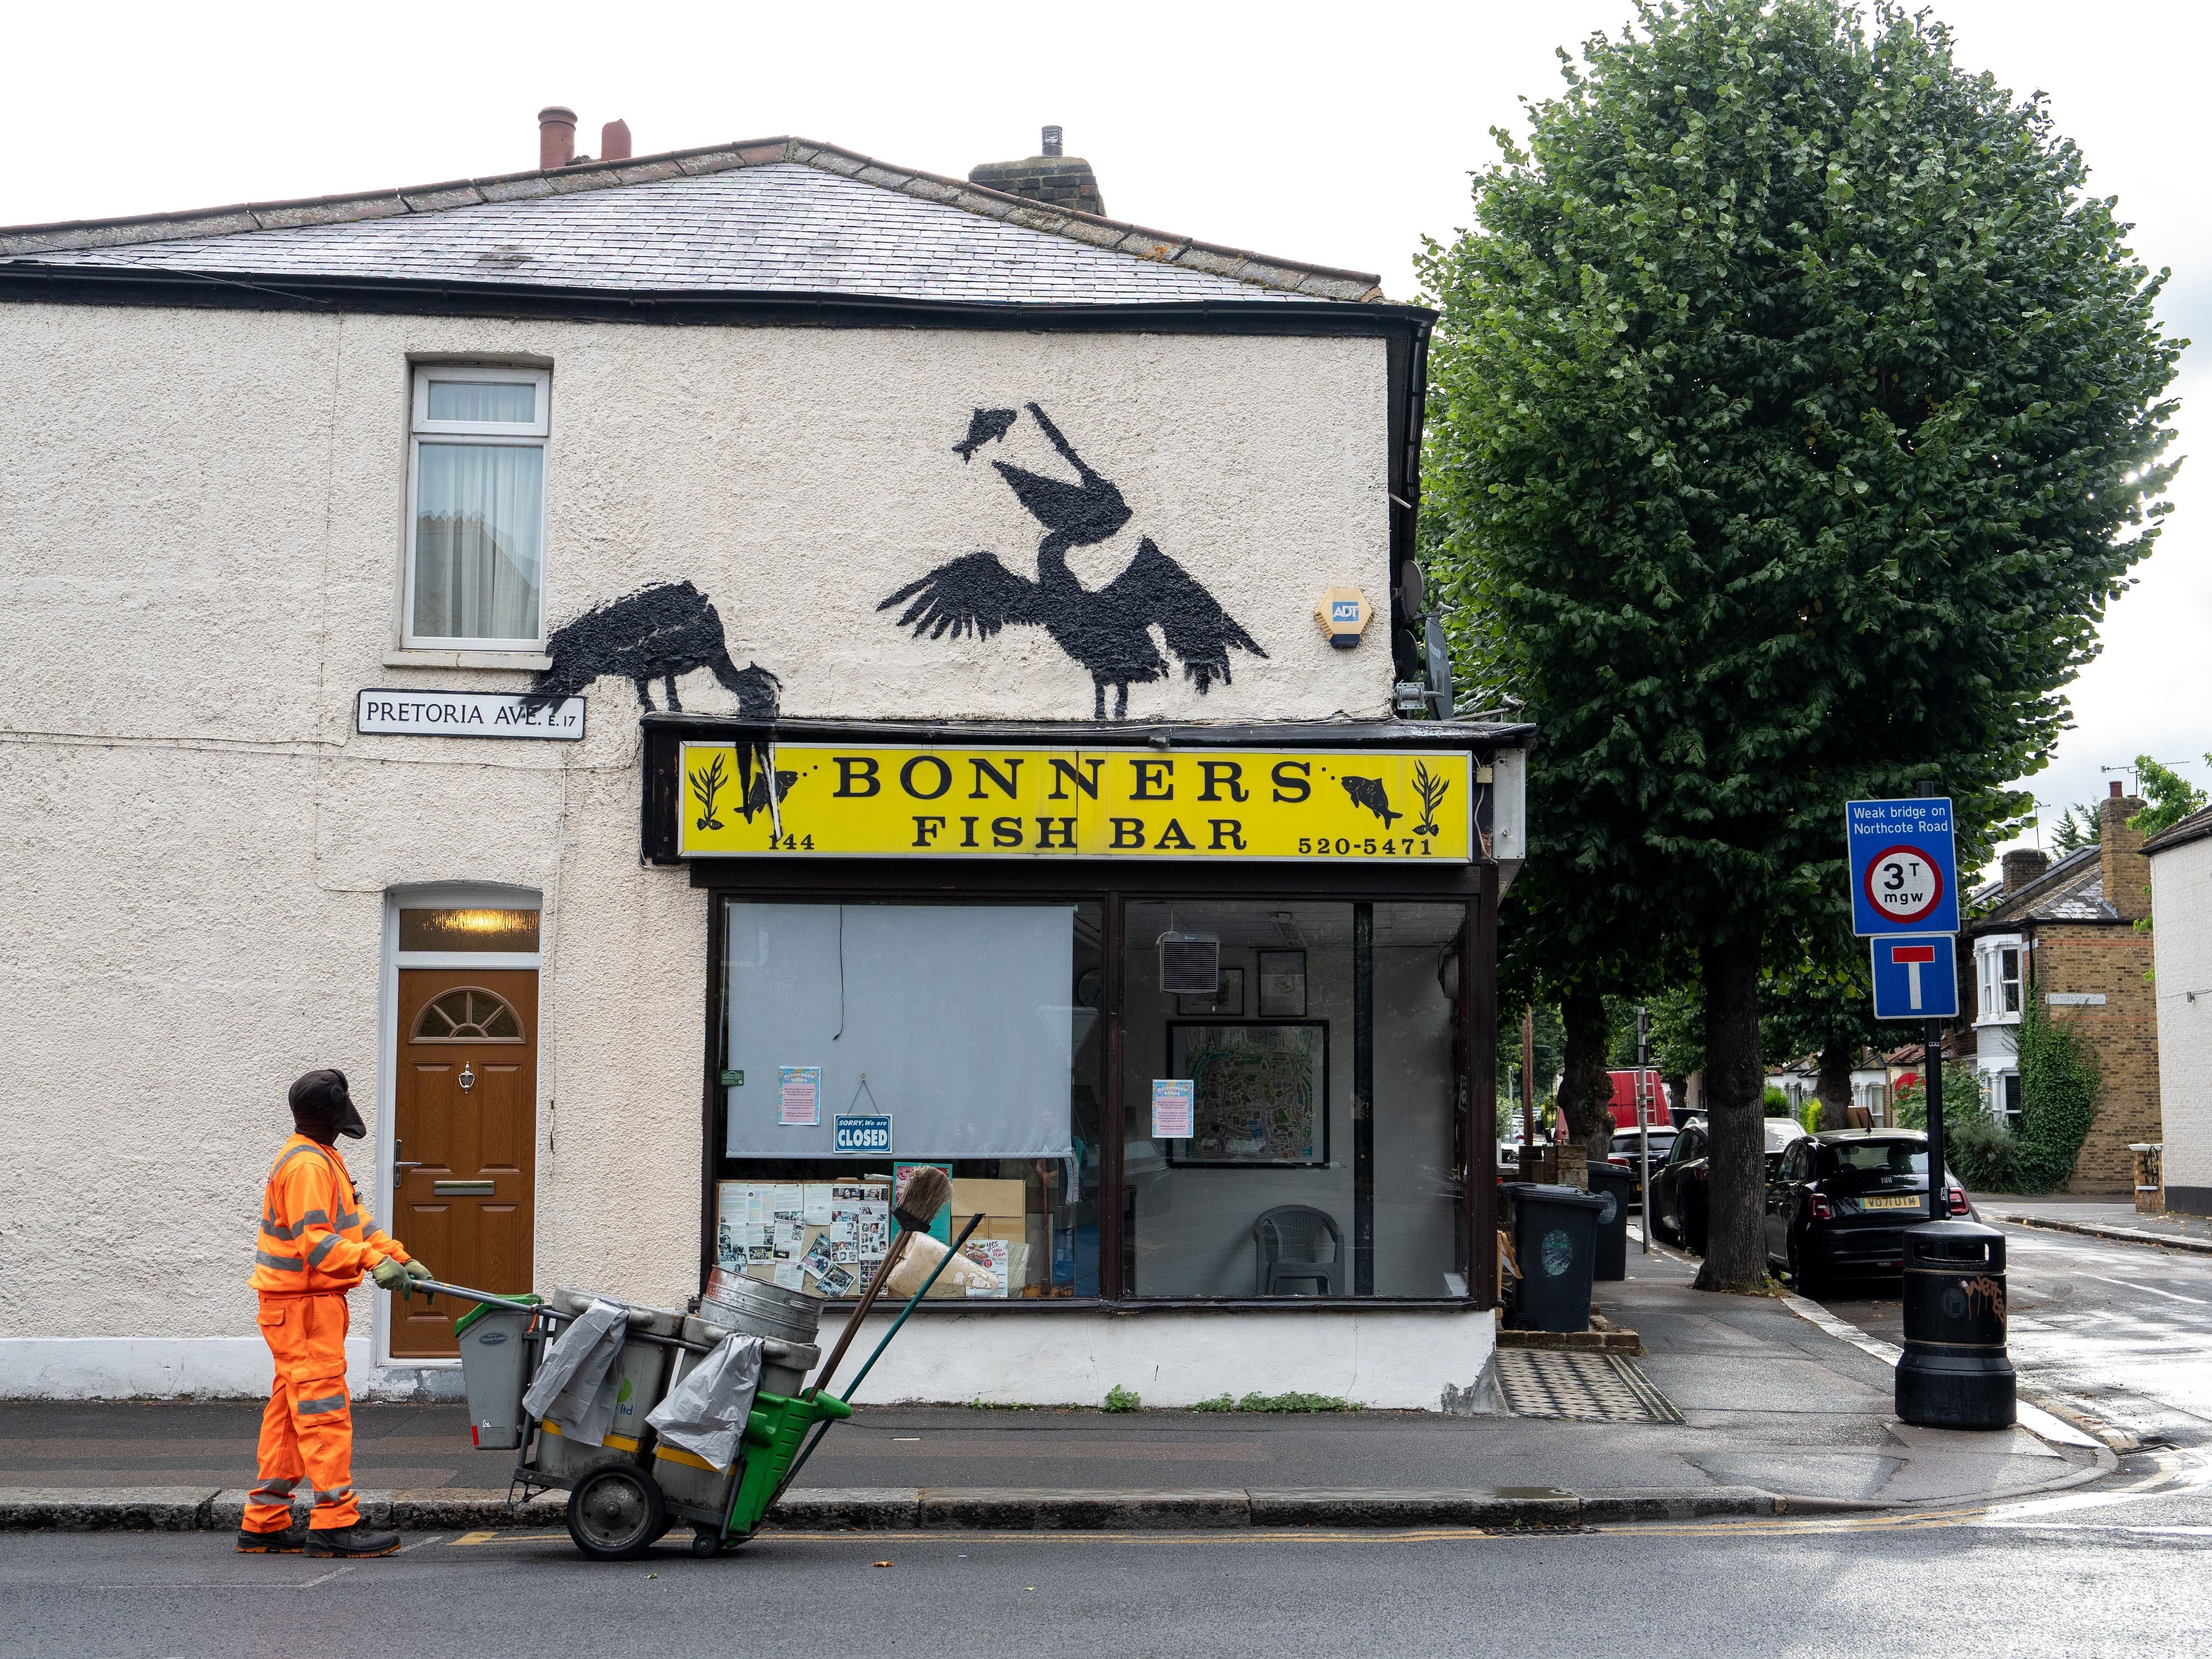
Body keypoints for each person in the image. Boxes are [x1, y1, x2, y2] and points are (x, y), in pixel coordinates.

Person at [238, 1069, 432, 1556]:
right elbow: (316, 1244)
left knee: (289, 1414)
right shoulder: (306, 1167)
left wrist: (399, 1256)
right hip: (301, 1307)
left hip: (303, 1306)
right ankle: (333, 1523)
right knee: (324, 1413)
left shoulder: (323, 1158)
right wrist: (373, 1261)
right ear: (334, 1117)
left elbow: (354, 1225)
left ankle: (264, 1520)